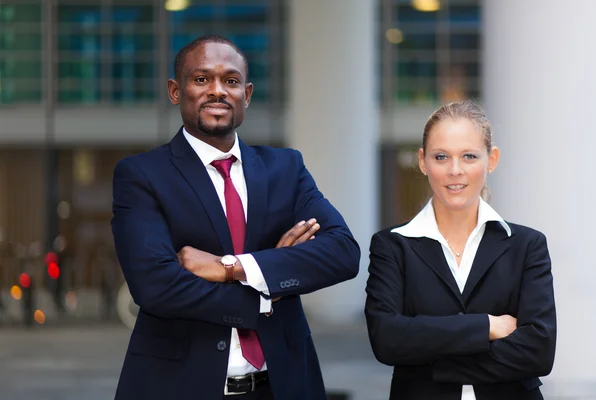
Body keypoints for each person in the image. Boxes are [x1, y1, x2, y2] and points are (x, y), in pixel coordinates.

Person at [111, 35, 360, 400]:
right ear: (175, 91)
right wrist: (267, 292)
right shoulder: (142, 175)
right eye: (201, 79)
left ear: (247, 94)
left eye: (230, 81)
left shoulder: (285, 169)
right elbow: (156, 287)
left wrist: (232, 268)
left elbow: (342, 252)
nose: (217, 91)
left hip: (283, 387)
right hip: (179, 388)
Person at [364, 100, 556, 400]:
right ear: (423, 161)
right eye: (441, 157)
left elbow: (538, 352)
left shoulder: (527, 245)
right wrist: (487, 326)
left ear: (491, 160)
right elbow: (387, 339)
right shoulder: (392, 246)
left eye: (469, 156)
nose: (455, 170)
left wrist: (434, 360)